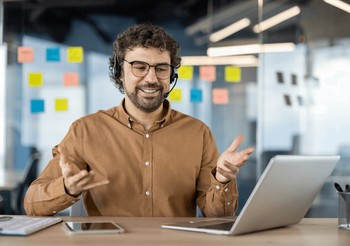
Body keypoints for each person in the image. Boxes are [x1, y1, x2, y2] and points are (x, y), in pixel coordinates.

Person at [24, 23, 254, 217]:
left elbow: (218, 216)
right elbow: (32, 204)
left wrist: (222, 179)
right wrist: (67, 188)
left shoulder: (198, 133)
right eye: (139, 67)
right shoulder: (86, 130)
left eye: (161, 68)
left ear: (171, 75)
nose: (151, 78)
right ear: (119, 72)